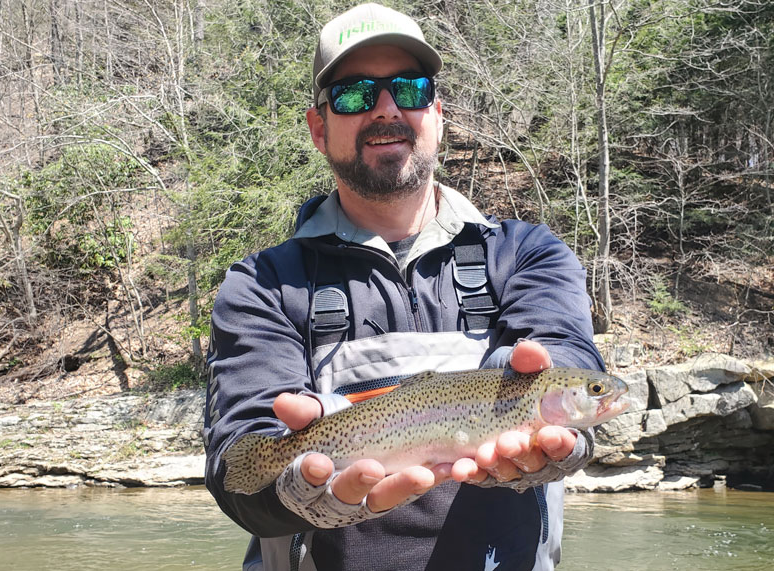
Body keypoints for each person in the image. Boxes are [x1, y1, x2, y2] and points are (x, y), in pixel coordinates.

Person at [204, 3, 604, 570]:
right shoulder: (262, 285)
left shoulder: (527, 254)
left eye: (410, 89)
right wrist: (296, 489)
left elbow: (565, 351)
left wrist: (556, 434)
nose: (386, 108)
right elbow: (239, 468)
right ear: (319, 128)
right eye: (353, 94)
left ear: (437, 113)